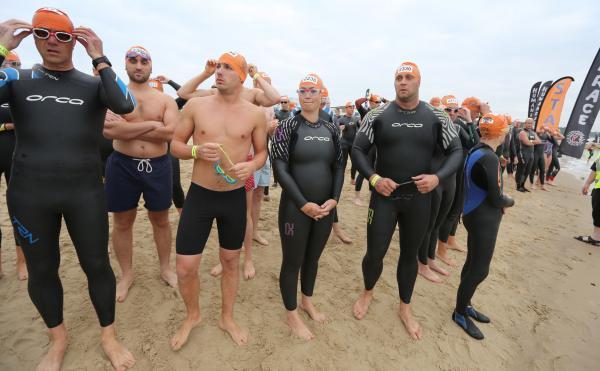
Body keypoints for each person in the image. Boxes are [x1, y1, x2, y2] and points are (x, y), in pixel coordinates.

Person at [0, 10, 136, 370]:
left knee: (97, 265)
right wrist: (1, 47)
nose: (52, 41)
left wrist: (100, 56)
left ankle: (108, 335)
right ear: (32, 36)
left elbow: (125, 105)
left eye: (62, 35)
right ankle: (58, 339)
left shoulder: (92, 85)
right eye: (43, 33)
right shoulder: (16, 77)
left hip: (84, 192)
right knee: (43, 271)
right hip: (30, 194)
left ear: (74, 40)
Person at [351, 62, 462, 339]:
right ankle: (367, 293)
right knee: (374, 253)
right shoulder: (378, 114)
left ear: (419, 82)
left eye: (408, 77)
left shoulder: (437, 116)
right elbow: (358, 149)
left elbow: (456, 152)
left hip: (419, 199)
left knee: (409, 256)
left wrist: (437, 178)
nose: (403, 82)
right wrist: (374, 178)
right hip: (384, 197)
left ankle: (405, 307)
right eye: (399, 77)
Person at [170, 52, 267, 349]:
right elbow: (175, 145)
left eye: (227, 68)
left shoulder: (254, 114)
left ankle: (227, 317)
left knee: (230, 261)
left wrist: (251, 166)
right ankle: (193, 316)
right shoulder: (196, 106)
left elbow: (262, 153)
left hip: (233, 198)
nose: (219, 72)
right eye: (219, 67)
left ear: (241, 76)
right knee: (186, 267)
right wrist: (196, 152)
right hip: (199, 195)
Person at [102, 46, 179, 302]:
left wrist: (129, 126)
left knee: (161, 220)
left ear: (150, 66)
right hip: (122, 165)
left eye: (143, 61)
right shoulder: (113, 95)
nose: (138, 65)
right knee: (123, 222)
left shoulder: (165, 100)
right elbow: (109, 132)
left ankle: (166, 268)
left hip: (158, 166)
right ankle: (126, 274)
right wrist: (153, 125)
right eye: (132, 60)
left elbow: (170, 134)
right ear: (125, 64)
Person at [271, 73, 343, 340]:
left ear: (322, 95)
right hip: (295, 207)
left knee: (313, 258)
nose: (307, 95)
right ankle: (291, 315)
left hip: (324, 207)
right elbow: (279, 167)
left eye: (312, 91)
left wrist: (334, 199)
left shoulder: (332, 128)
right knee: (293, 261)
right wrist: (303, 204)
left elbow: (338, 166)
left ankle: (306, 301)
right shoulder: (288, 126)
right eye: (303, 91)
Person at [453, 113, 514, 340]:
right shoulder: (489, 158)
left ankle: (465, 304)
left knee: (471, 263)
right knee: (480, 269)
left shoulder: (476, 150)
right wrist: (511, 200)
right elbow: (497, 198)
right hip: (484, 219)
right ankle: (459, 313)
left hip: (473, 214)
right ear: (501, 133)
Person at [418, 95, 467, 282]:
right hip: (435, 179)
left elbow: (473, 143)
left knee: (438, 223)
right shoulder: (431, 126)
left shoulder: (459, 128)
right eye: (448, 110)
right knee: (428, 224)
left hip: (450, 181)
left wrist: (470, 121)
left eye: (455, 110)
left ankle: (431, 259)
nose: (452, 113)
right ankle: (421, 263)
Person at [0, 51, 26, 280]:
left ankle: (21, 261)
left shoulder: (20, 88)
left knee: (17, 208)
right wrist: (8, 126)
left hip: (17, 154)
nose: (14, 67)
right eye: (10, 63)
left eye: (17, 64)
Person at [338, 101, 361, 204]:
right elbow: (337, 128)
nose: (352, 109)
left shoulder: (355, 119)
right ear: (346, 108)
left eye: (353, 107)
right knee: (343, 163)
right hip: (344, 143)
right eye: (350, 107)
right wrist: (339, 128)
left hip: (353, 143)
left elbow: (360, 128)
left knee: (355, 162)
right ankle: (340, 179)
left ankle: (352, 178)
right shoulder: (341, 119)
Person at [577, 154, 600, 245]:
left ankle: (596, 238)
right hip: (598, 187)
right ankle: (596, 236)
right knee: (597, 211)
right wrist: (587, 183)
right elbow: (596, 168)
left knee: (598, 212)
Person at [515, 118, 540, 192]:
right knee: (521, 170)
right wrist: (532, 141)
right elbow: (527, 143)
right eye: (528, 123)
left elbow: (539, 141)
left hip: (530, 155)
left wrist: (531, 141)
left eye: (531, 123)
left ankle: (523, 185)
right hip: (523, 154)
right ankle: (518, 186)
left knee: (527, 171)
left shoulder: (532, 133)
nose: (529, 125)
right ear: (525, 123)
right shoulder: (522, 132)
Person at [530, 125, 550, 190]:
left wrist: (549, 132)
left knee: (542, 170)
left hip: (541, 155)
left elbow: (554, 140)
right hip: (535, 154)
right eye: (542, 128)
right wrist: (537, 134)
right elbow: (530, 142)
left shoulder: (546, 135)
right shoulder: (534, 134)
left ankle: (542, 185)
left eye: (544, 129)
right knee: (533, 170)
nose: (543, 130)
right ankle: (531, 184)